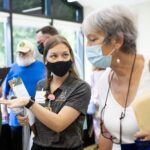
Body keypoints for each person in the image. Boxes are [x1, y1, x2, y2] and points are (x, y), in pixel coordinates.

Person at [0, 35, 91, 150]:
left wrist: (29, 103)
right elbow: (39, 115)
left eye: (65, 55)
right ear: (46, 60)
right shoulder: (41, 85)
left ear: (71, 58)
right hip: (38, 145)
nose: (60, 60)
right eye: (54, 56)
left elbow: (59, 124)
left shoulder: (80, 87)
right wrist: (27, 117)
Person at [82, 5, 150, 150]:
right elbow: (106, 133)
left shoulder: (148, 72)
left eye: (92, 39)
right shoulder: (103, 82)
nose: (87, 46)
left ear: (117, 40)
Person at [1, 39, 46, 150]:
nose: (21, 55)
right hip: (17, 118)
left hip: (38, 116)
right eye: (19, 52)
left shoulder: (42, 67)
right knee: (17, 145)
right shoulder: (12, 69)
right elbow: (5, 94)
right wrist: (4, 111)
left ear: (32, 52)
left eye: (24, 52)